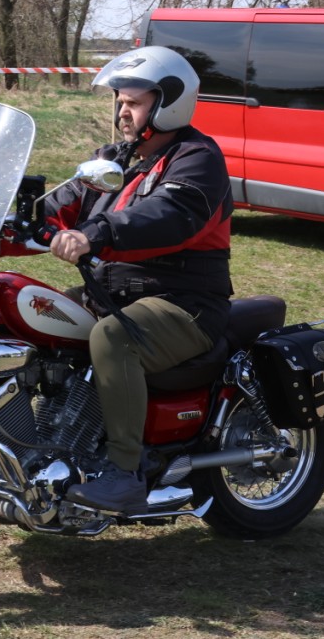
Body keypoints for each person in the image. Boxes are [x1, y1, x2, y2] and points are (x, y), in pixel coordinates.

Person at [44, 46, 233, 513]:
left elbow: (168, 215)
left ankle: (123, 472)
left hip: (183, 302)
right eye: (120, 101)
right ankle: (49, 442)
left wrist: (95, 234)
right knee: (38, 313)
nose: (122, 112)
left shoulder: (198, 159)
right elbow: (60, 203)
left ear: (169, 104)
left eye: (134, 102)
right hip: (113, 293)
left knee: (113, 339)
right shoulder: (114, 160)